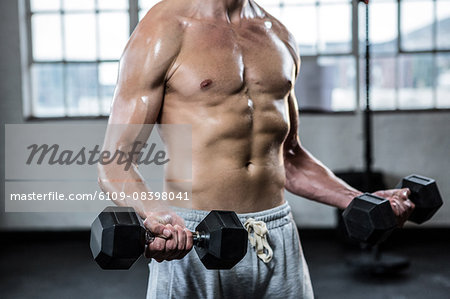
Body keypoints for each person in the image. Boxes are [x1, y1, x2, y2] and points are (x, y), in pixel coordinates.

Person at [98, 0, 414, 297]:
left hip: (277, 233)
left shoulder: (278, 35)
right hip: (192, 236)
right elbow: (114, 163)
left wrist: (357, 199)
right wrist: (157, 215)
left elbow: (289, 158)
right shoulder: (163, 29)